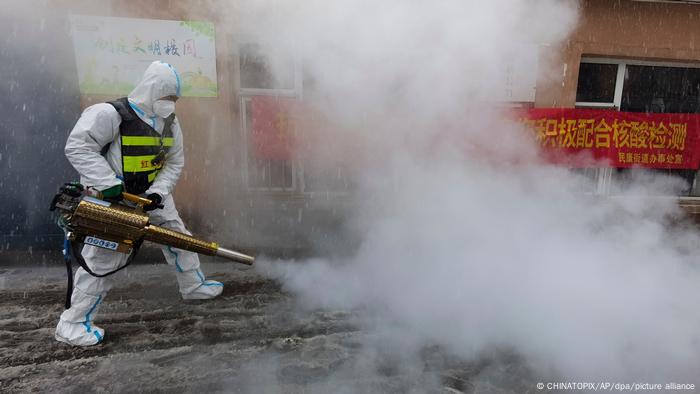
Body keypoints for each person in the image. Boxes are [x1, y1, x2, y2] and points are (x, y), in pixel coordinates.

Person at [55, 61, 223, 347]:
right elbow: (78, 146)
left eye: (174, 98)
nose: (170, 103)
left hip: (151, 197)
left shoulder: (170, 122)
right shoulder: (111, 114)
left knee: (179, 238)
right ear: (149, 90)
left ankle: (193, 285)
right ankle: (72, 324)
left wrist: (158, 192)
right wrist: (108, 184)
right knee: (103, 261)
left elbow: (173, 161)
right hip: (114, 201)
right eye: (165, 96)